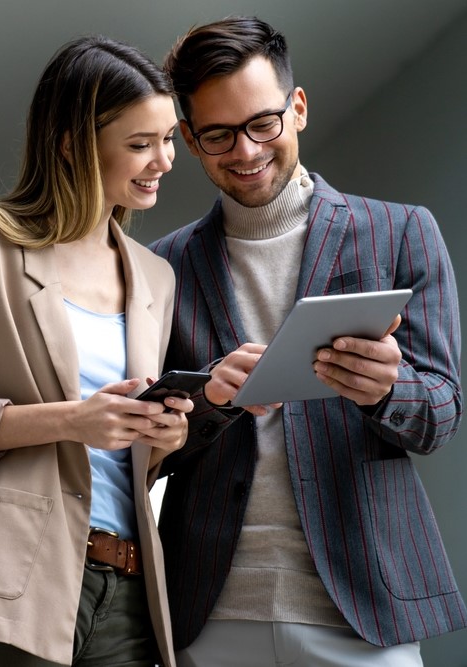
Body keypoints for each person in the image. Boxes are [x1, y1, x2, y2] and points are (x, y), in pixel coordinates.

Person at [149, 16, 467, 667]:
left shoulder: (401, 232)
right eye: (218, 134)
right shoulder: (164, 267)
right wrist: (208, 398)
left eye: (262, 123)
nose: (245, 151)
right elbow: (146, 445)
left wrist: (388, 390)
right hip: (209, 610)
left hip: (362, 606)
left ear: (297, 107)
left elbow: (443, 411)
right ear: (188, 138)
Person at [0, 34, 192, 667]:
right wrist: (73, 419)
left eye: (168, 138)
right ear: (72, 143)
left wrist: (161, 438)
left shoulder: (156, 278)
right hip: (9, 582)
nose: (164, 159)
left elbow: (125, 462)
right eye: (140, 144)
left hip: (131, 589)